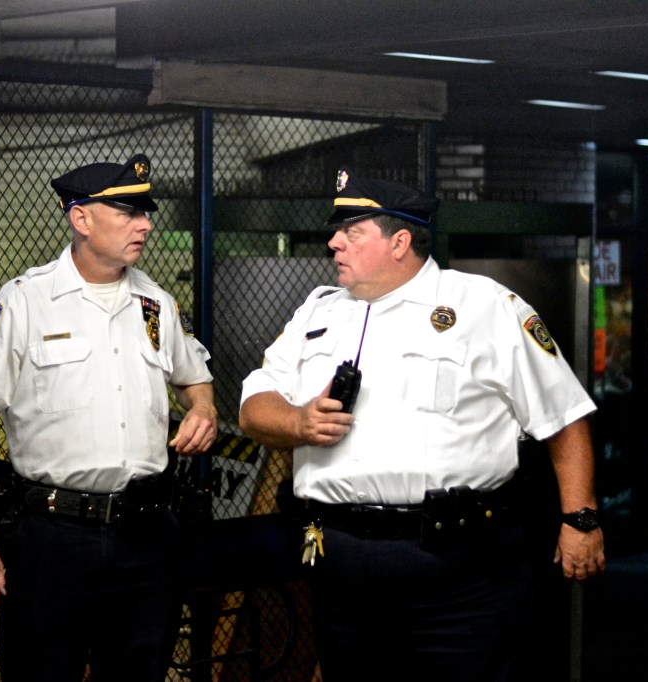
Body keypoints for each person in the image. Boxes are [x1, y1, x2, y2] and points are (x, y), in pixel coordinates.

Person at [238, 167, 605, 681]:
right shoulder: (317, 312)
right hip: (341, 566)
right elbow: (254, 403)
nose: (333, 242)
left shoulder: (486, 307)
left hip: (459, 570)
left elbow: (563, 417)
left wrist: (580, 520)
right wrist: (298, 421)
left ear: (399, 241)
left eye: (352, 231)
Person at [0, 153, 217, 681]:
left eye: (146, 213)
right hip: (53, 541)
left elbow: (195, 378)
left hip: (146, 538)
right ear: (81, 218)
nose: (145, 224)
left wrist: (204, 408)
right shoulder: (28, 301)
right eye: (128, 212)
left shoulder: (155, 304)